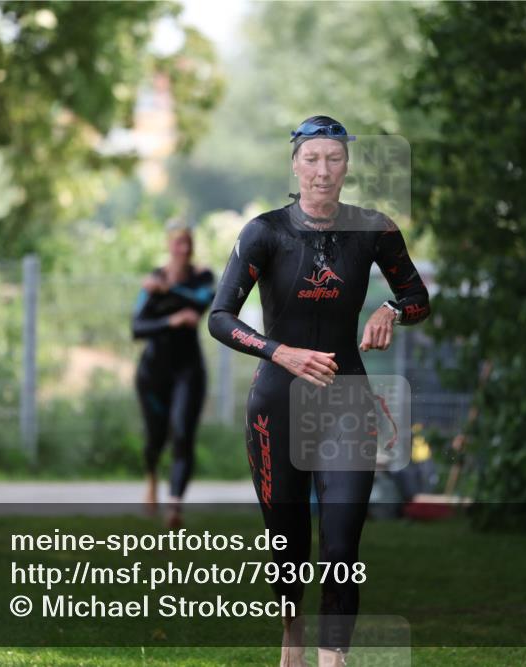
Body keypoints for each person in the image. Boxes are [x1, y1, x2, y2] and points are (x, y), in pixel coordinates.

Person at [209, 116, 430, 667]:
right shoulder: (265, 232)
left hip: (346, 402)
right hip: (276, 403)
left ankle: (333, 659)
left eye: (333, 158)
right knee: (287, 545)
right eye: (312, 159)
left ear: (347, 165)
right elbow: (219, 318)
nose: (323, 170)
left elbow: (419, 297)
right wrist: (278, 351)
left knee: (339, 548)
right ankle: (291, 631)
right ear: (295, 164)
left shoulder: (374, 229)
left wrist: (391, 308)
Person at [132, 221, 215, 529]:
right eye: (178, 243)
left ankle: (175, 506)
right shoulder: (153, 279)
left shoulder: (202, 277)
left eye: (188, 243)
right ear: (169, 246)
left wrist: (168, 291)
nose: (184, 249)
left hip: (188, 371)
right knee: (155, 438)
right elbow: (137, 328)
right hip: (152, 373)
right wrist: (173, 320)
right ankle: (152, 476)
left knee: (182, 434)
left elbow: (203, 303)